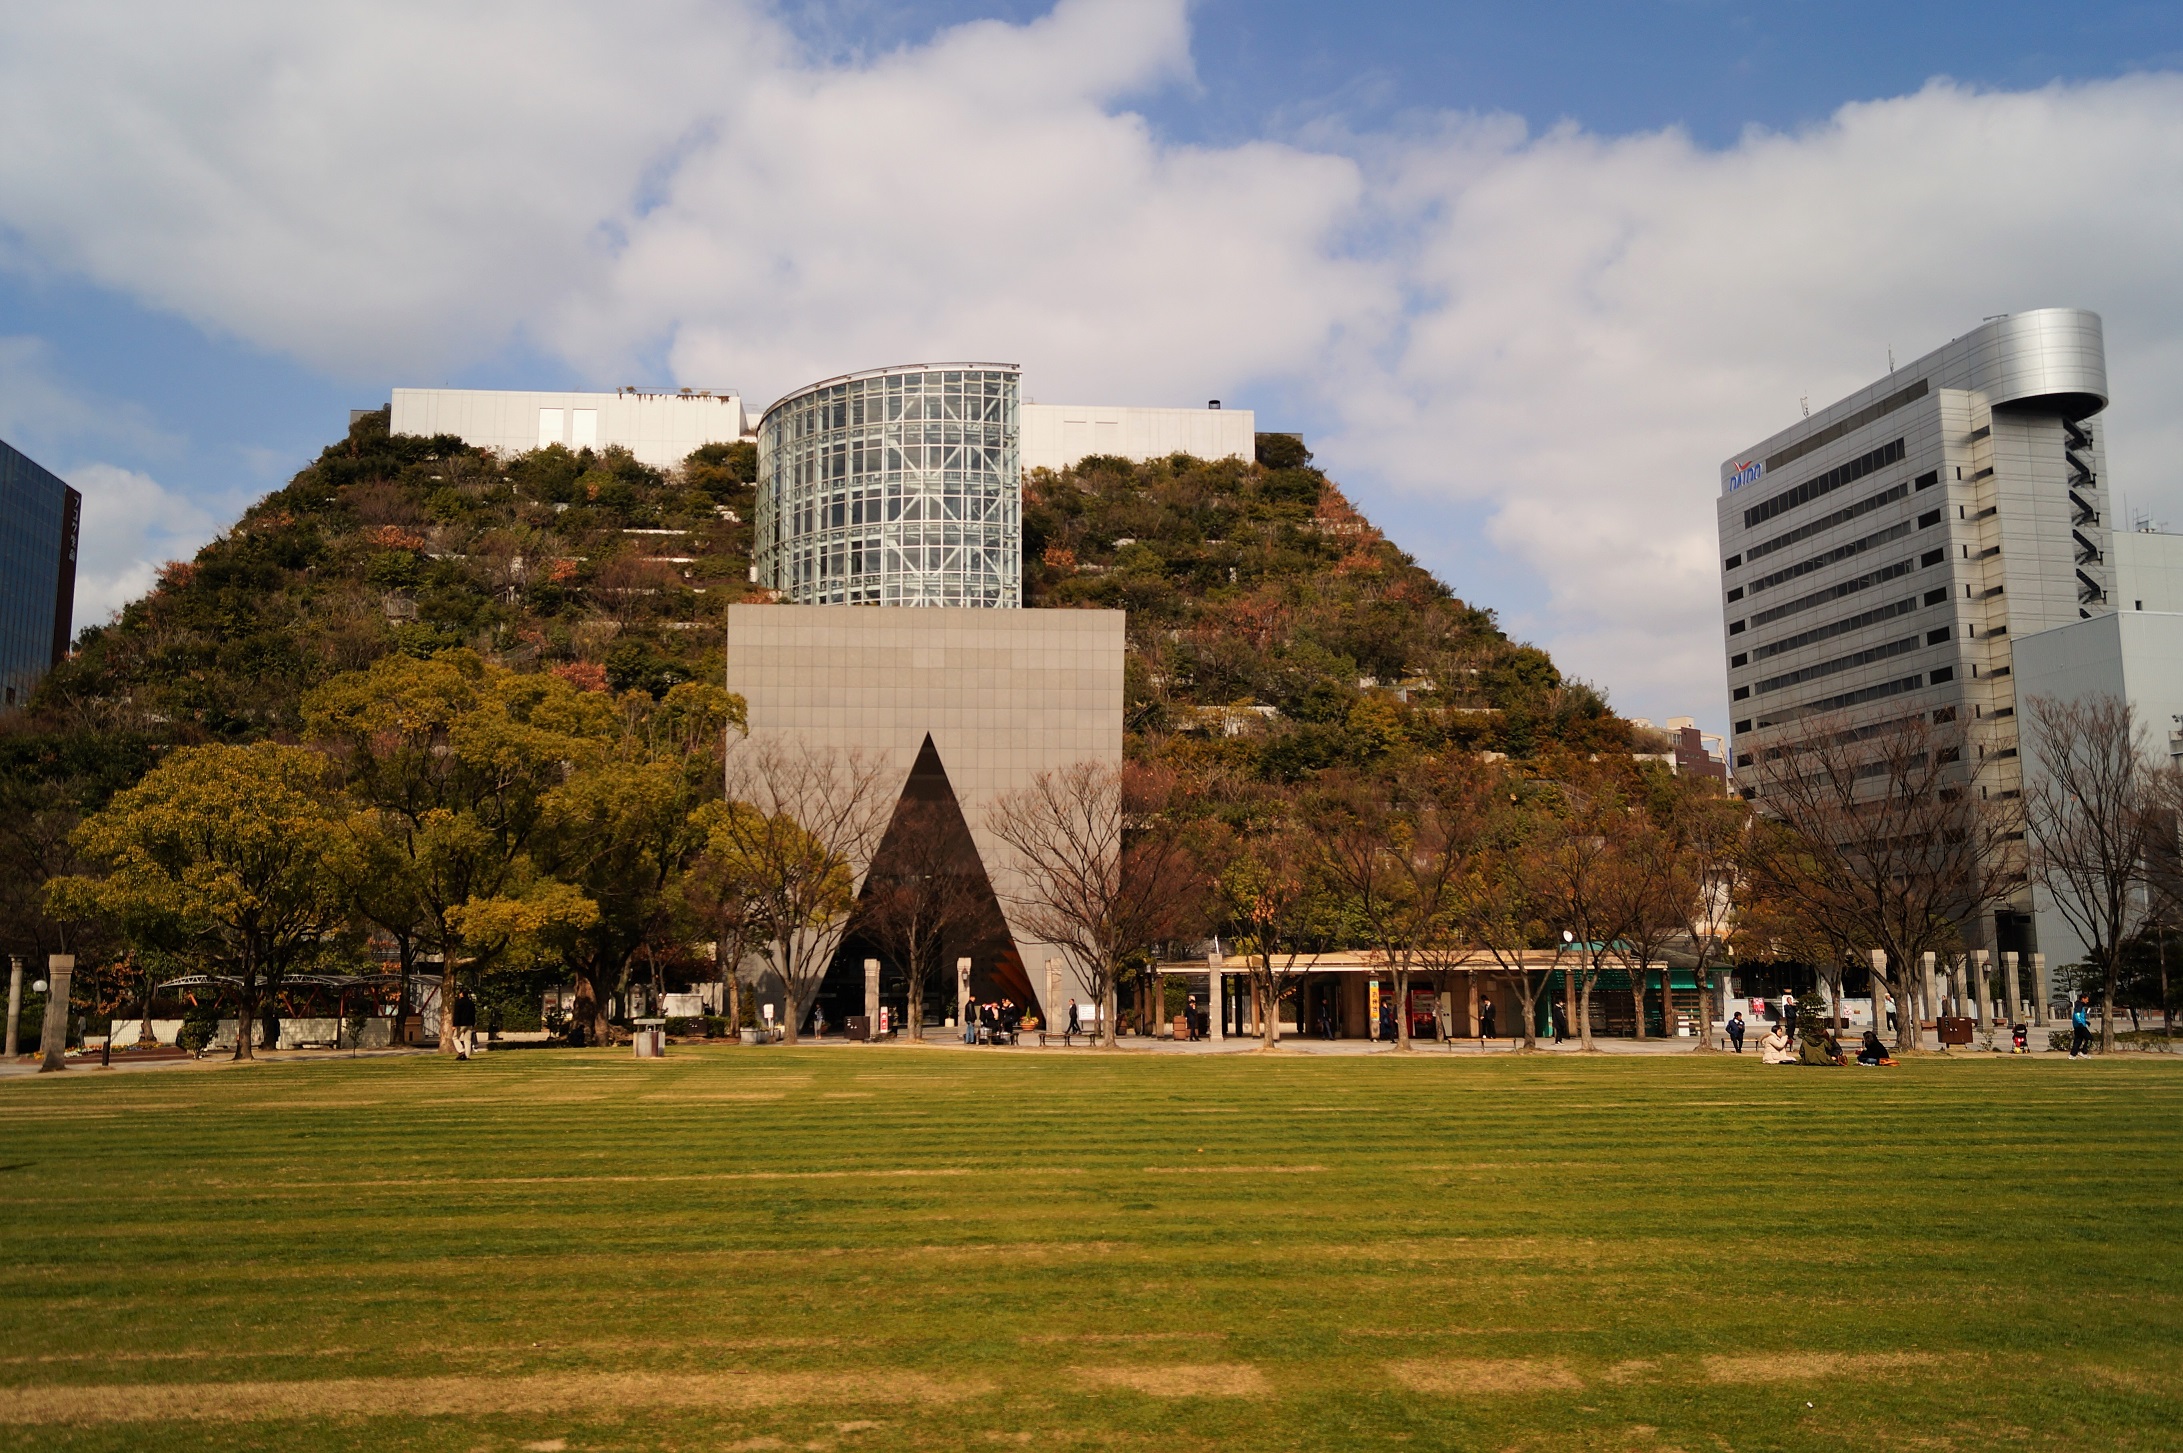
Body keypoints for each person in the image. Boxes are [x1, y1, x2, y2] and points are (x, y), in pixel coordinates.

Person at [451, 990, 477, 1060]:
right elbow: (473, 1014)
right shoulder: (471, 1003)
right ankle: (467, 1056)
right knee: (467, 1040)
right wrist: (473, 1023)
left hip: (461, 1023)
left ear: (462, 994)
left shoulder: (459, 1002)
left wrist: (454, 1024)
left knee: (455, 1037)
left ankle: (461, 1050)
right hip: (469, 1024)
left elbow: (457, 1014)